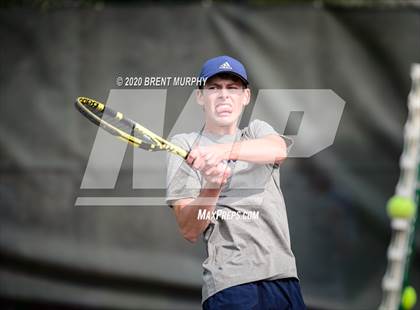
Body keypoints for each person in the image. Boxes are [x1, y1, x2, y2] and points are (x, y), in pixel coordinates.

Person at [166, 56, 306, 309]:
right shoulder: (184, 144)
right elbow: (189, 229)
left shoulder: (256, 131)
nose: (224, 95)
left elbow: (278, 151)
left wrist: (223, 151)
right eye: (214, 88)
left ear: (246, 97)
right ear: (200, 97)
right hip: (230, 284)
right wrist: (212, 185)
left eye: (233, 88)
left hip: (284, 277)